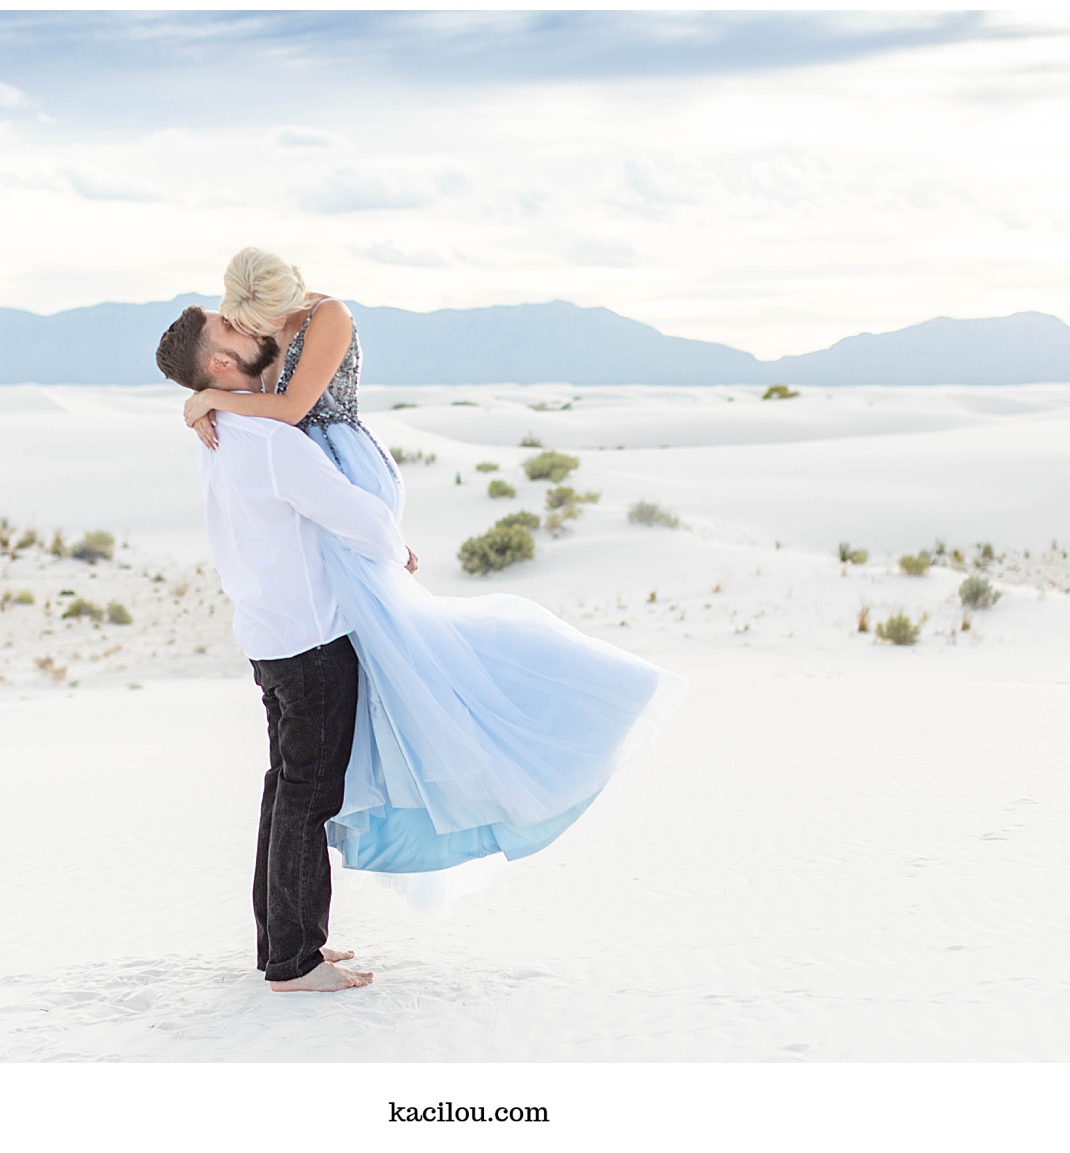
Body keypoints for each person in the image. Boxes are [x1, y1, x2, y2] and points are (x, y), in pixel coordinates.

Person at [163, 248, 682, 877]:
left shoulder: (327, 314)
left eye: (254, 319)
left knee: (395, 636)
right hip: (310, 475)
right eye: (241, 325)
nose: (251, 331)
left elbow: (295, 409)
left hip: (339, 467)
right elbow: (264, 404)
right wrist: (212, 397)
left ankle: (529, 729)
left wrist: (213, 399)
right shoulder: (261, 330)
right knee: (380, 647)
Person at [158, 304, 412, 991]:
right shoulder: (267, 439)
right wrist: (398, 549)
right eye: (231, 330)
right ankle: (293, 962)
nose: (248, 329)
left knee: (287, 791)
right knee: (307, 796)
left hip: (271, 635)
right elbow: (351, 512)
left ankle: (287, 942)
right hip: (311, 639)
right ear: (219, 365)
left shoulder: (219, 430)